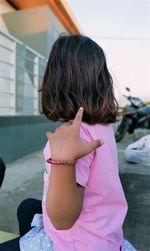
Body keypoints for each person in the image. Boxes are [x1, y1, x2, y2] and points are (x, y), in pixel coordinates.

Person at [0, 35, 137, 251]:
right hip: (104, 236)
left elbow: (63, 221)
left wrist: (63, 160)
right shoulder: (101, 126)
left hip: (76, 244)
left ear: (57, 81)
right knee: (27, 207)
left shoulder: (78, 133)